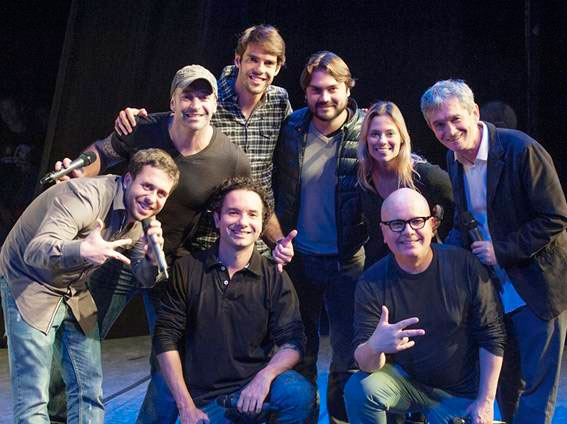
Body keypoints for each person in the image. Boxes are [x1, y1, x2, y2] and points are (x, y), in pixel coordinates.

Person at [50, 64, 266, 423]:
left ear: (215, 104)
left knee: (170, 356)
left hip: (171, 264)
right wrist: (74, 173)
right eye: (187, 95)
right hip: (116, 252)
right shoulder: (145, 129)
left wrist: (276, 241)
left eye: (204, 96)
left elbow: (247, 200)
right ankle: (57, 417)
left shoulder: (230, 157)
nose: (195, 104)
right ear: (173, 99)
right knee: (79, 339)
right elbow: (102, 153)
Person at [420, 79, 567, 424]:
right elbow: (465, 221)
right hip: (496, 286)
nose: (449, 130)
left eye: (456, 119)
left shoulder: (520, 149)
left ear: (474, 112)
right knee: (505, 382)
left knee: (537, 386)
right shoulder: (454, 159)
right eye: (438, 124)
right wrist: (436, 258)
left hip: (538, 282)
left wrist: (502, 250)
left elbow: (555, 216)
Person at [0, 148, 178, 423]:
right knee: (34, 399)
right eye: (147, 186)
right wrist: (82, 250)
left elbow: (143, 278)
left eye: (161, 193)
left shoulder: (144, 222)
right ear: (128, 179)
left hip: (74, 287)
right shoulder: (85, 196)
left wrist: (153, 260)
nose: (152, 199)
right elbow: (35, 251)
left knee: (89, 389)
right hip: (29, 280)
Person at [114, 24, 291, 253]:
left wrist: (278, 242)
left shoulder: (279, 103)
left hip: (255, 231)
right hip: (201, 238)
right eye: (252, 59)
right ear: (238, 60)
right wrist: (134, 120)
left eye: (268, 63)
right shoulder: (208, 99)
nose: (260, 69)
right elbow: (176, 117)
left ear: (278, 68)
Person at [153, 177, 315, 423]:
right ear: (217, 219)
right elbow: (166, 339)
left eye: (252, 214)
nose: (243, 222)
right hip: (204, 400)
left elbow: (293, 341)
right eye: (233, 212)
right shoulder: (186, 269)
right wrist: (186, 407)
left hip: (254, 392)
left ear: (261, 224)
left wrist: (264, 378)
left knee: (298, 393)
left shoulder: (275, 275)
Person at [344, 188, 506, 424]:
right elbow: (364, 362)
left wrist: (485, 401)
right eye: (397, 224)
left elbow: (492, 336)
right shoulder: (371, 281)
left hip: (459, 394)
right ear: (384, 231)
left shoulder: (465, 266)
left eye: (417, 221)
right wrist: (375, 346)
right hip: (405, 384)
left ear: (432, 225)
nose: (408, 231)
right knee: (359, 389)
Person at [268, 51, 367, 423]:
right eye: (315, 90)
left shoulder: (367, 128)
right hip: (299, 259)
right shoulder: (291, 128)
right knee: (301, 350)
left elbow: (403, 162)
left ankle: (340, 418)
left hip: (348, 261)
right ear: (305, 93)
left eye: (332, 89)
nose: (324, 98)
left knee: (346, 353)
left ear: (347, 87)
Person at [357, 100, 454, 269]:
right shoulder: (363, 178)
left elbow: (460, 203)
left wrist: (448, 243)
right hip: (380, 274)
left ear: (402, 138)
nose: (382, 140)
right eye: (374, 134)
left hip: (424, 271)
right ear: (365, 139)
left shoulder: (425, 175)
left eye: (390, 133)